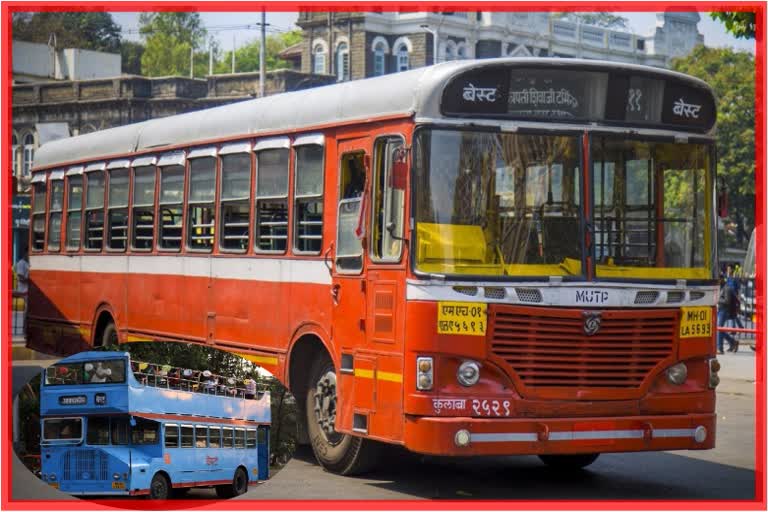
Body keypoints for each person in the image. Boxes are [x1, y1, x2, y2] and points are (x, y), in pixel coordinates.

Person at [717, 269, 739, 354]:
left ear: (721, 279)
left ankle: (720, 348)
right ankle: (733, 342)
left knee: (719, 329)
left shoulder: (726, 289)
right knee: (719, 329)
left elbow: (727, 301)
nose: (716, 281)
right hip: (721, 310)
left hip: (724, 311)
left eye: (718, 279)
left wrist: (717, 299)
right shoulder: (721, 288)